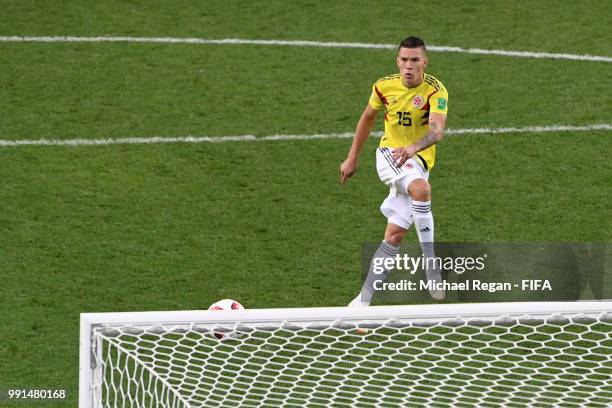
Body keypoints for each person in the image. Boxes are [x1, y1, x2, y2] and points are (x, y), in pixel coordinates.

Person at [340, 36, 449, 306]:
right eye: (403, 60)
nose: (408, 66)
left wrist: (412, 149)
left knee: (394, 236)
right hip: (389, 156)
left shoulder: (436, 91)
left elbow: (437, 131)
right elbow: (367, 117)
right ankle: (430, 265)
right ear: (397, 61)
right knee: (421, 190)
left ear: (425, 61)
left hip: (416, 163)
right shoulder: (383, 86)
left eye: (414, 60)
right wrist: (352, 157)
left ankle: (360, 304)